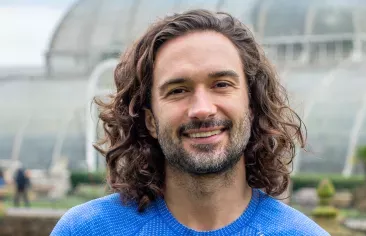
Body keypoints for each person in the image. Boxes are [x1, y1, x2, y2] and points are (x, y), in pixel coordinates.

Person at [52, 9, 329, 235]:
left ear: (253, 106)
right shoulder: (85, 230)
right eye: (178, 90)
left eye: (221, 84)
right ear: (149, 120)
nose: (202, 109)